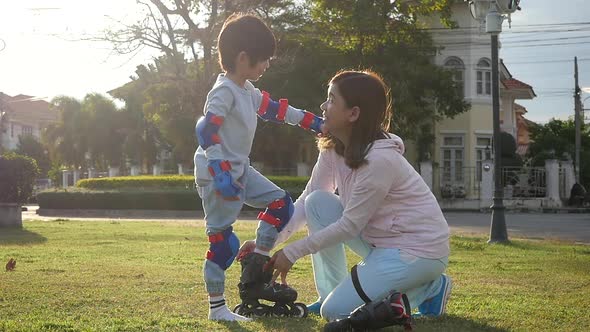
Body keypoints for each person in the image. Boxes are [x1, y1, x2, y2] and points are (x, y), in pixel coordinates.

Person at [244, 70, 452, 323]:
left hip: (418, 250)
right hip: (380, 241)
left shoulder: (380, 159)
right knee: (317, 202)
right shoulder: (334, 149)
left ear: (353, 114)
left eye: (331, 100)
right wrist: (266, 247)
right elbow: (308, 201)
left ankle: (429, 288)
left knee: (336, 313)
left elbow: (349, 225)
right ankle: (329, 292)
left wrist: (293, 252)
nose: (323, 106)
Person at [194, 13, 324, 321]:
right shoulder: (224, 90)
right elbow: (205, 129)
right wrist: (220, 170)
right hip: (217, 175)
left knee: (281, 205)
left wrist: (313, 122)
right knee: (223, 244)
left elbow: (277, 110)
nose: (266, 65)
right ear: (243, 58)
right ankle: (217, 310)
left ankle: (257, 269)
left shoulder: (247, 90)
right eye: (263, 59)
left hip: (240, 169)